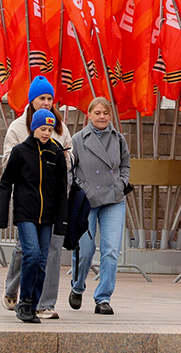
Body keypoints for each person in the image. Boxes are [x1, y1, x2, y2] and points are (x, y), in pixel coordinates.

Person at [1, 76, 72, 319]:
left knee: (46, 254)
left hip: (50, 202)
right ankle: (14, 290)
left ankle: (41, 303)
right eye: (42, 98)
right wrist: (32, 161)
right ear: (32, 100)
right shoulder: (18, 129)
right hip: (27, 201)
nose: (46, 102)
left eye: (50, 98)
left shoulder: (60, 129)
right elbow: (9, 163)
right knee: (25, 251)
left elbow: (69, 156)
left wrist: (62, 161)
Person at [68, 96, 130, 315]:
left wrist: (121, 184)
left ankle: (103, 297)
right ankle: (77, 285)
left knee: (111, 250)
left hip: (113, 199)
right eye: (97, 113)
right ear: (89, 115)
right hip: (87, 201)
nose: (102, 117)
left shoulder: (119, 139)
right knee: (85, 250)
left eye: (105, 113)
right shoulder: (77, 139)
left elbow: (125, 165)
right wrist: (83, 188)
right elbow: (71, 170)